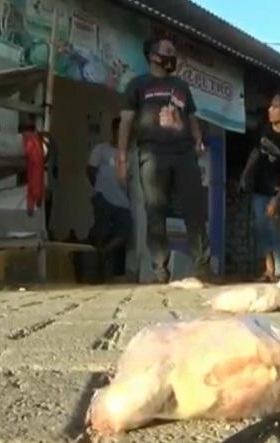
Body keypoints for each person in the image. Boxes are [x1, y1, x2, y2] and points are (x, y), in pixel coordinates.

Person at [116, 37, 211, 284]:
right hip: (151, 154)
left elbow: (191, 118)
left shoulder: (181, 86)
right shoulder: (137, 85)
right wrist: (122, 158)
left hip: (184, 154)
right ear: (154, 56)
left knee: (195, 210)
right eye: (169, 51)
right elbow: (126, 122)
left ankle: (202, 265)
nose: (173, 56)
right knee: (155, 212)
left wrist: (199, 141)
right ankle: (160, 269)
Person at [239, 92, 280, 282]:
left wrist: (277, 198)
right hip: (259, 188)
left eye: (275, 107)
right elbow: (256, 152)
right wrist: (245, 173)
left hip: (279, 191)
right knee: (261, 229)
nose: (270, 110)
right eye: (270, 106)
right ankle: (269, 271)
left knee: (276, 231)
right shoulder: (264, 128)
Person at [87, 118, 131, 279]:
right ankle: (95, 269)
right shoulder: (101, 149)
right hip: (103, 198)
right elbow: (90, 170)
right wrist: (100, 190)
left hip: (123, 202)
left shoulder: (129, 154)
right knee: (101, 232)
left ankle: (103, 254)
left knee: (126, 231)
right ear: (113, 131)